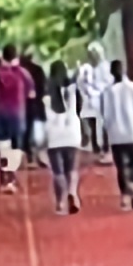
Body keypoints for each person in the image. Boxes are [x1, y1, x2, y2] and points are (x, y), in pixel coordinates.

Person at [98, 56, 133, 209]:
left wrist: (107, 135)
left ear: (111, 73)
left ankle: (125, 195)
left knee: (121, 166)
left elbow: (106, 116)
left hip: (117, 135)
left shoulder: (108, 92)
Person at [42, 63, 87, 213]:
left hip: (54, 134)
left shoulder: (47, 93)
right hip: (72, 132)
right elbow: (80, 108)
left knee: (58, 172)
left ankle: (61, 202)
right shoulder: (72, 89)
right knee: (72, 169)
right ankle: (72, 193)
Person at [0, 45, 33, 189]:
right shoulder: (23, 74)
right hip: (17, 114)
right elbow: (31, 94)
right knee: (14, 148)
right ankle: (11, 178)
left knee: (3, 147)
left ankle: (3, 180)